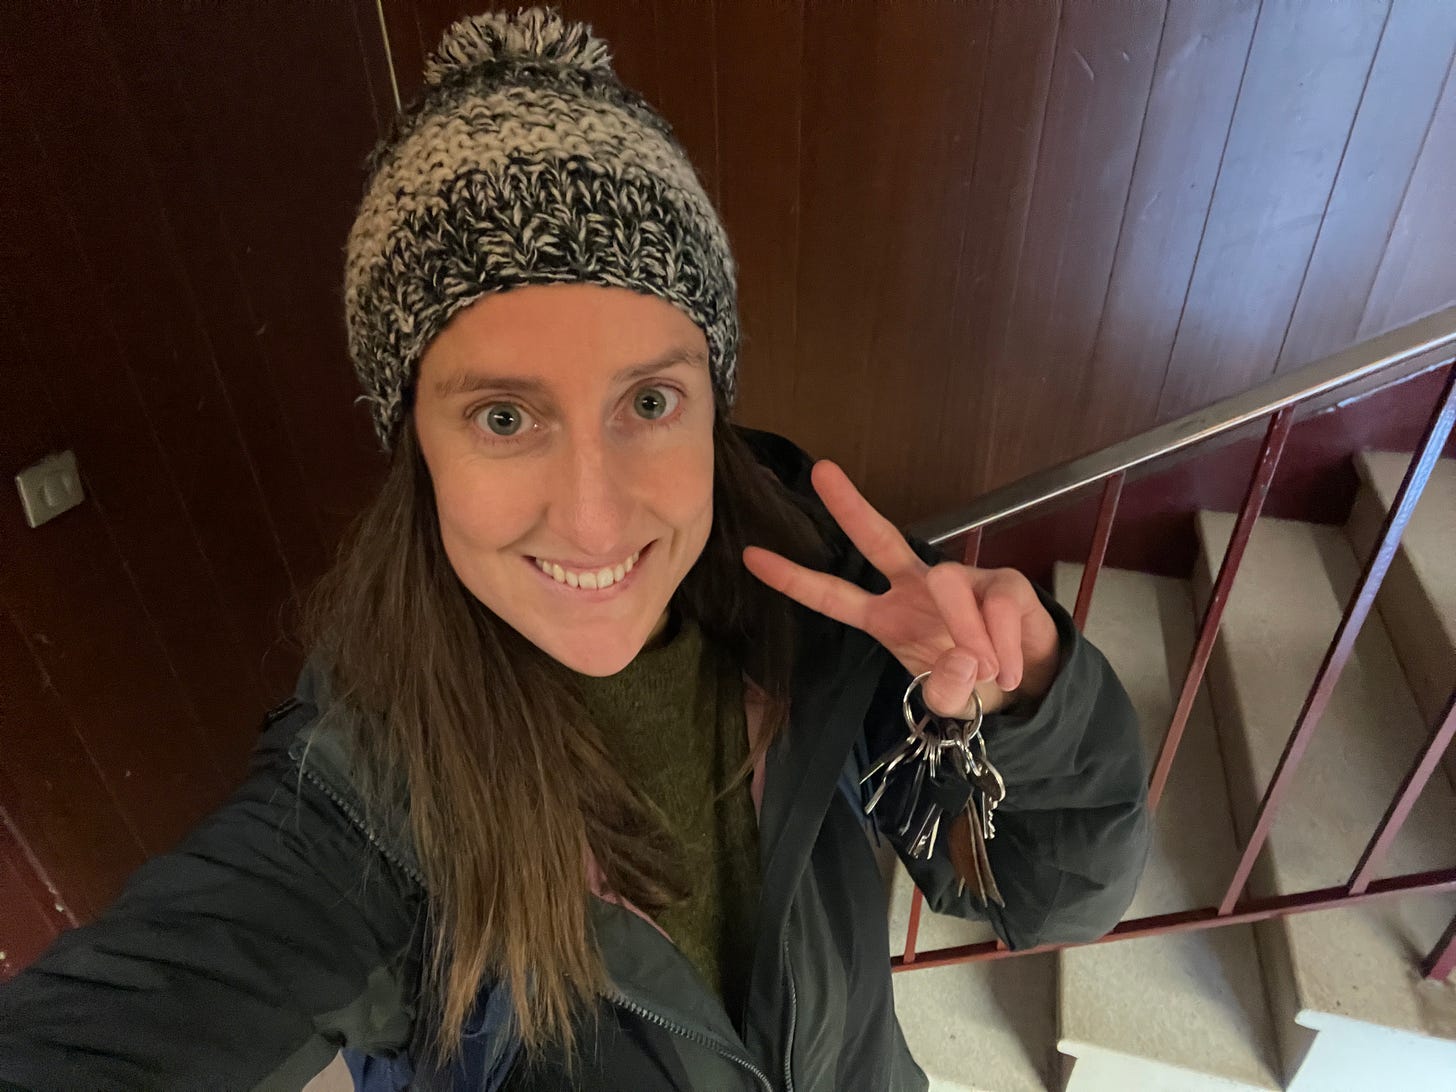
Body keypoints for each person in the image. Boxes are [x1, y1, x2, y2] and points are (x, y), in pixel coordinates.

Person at [0, 7, 1150, 1090]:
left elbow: (1056, 899)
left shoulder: (817, 591)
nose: (595, 522)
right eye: (504, 417)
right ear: (416, 446)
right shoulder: (366, 802)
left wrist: (1031, 703)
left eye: (648, 402)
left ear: (711, 404)